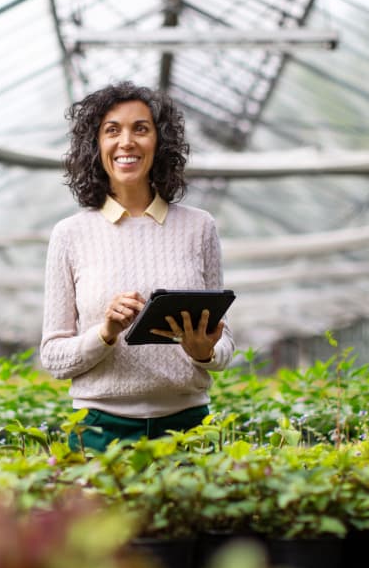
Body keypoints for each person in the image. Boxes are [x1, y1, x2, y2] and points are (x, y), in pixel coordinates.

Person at [39, 81, 236, 452]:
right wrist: (106, 332)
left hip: (188, 429)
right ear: (95, 146)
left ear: (160, 143)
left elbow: (225, 343)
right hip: (98, 430)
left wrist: (203, 351)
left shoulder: (199, 227)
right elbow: (53, 357)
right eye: (112, 130)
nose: (126, 142)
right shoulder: (70, 234)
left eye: (140, 129)